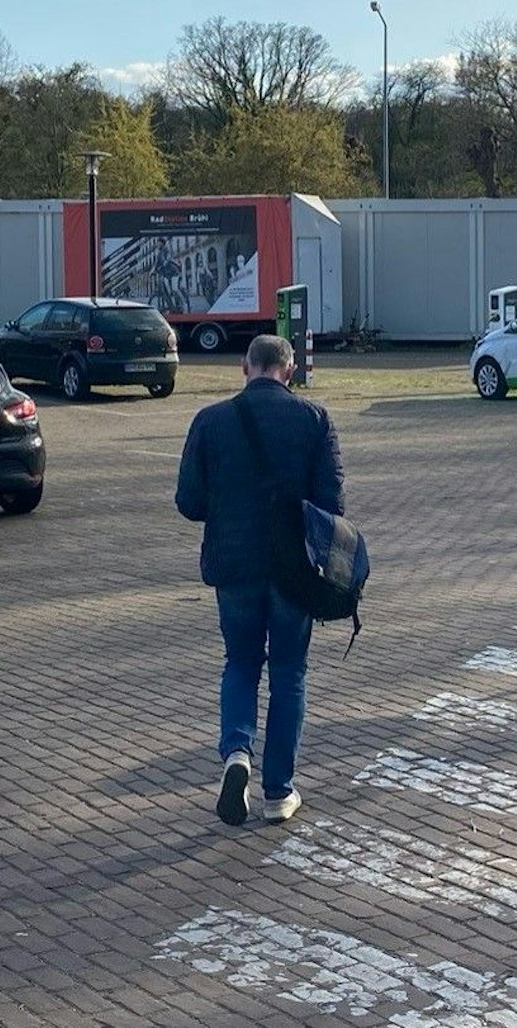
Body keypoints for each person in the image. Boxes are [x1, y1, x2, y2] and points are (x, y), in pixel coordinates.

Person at [175, 334, 345, 826]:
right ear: (289, 370)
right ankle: (278, 792)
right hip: (293, 569)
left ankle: (236, 753)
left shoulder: (209, 421)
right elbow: (332, 506)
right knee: (289, 672)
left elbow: (188, 501)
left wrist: (228, 511)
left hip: (235, 566)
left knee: (241, 662)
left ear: (244, 368)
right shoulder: (315, 420)